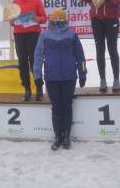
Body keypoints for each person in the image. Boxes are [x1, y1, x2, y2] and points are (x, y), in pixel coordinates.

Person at [33, 8, 87, 150]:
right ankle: (58, 136)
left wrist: (82, 73)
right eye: (55, 18)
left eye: (60, 18)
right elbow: (38, 57)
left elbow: (80, 56)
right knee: (56, 107)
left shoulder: (72, 34)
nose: (57, 21)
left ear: (65, 19)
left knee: (67, 106)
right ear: (51, 19)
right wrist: (37, 76)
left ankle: (67, 136)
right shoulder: (44, 35)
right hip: (52, 77)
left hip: (69, 77)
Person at [11, 0, 47, 101]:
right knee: (22, 62)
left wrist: (37, 19)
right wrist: (11, 21)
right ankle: (26, 88)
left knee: (34, 61)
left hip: (33, 34)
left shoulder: (36, 0)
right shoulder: (14, 3)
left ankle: (39, 88)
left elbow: (44, 17)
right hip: (19, 34)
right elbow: (11, 20)